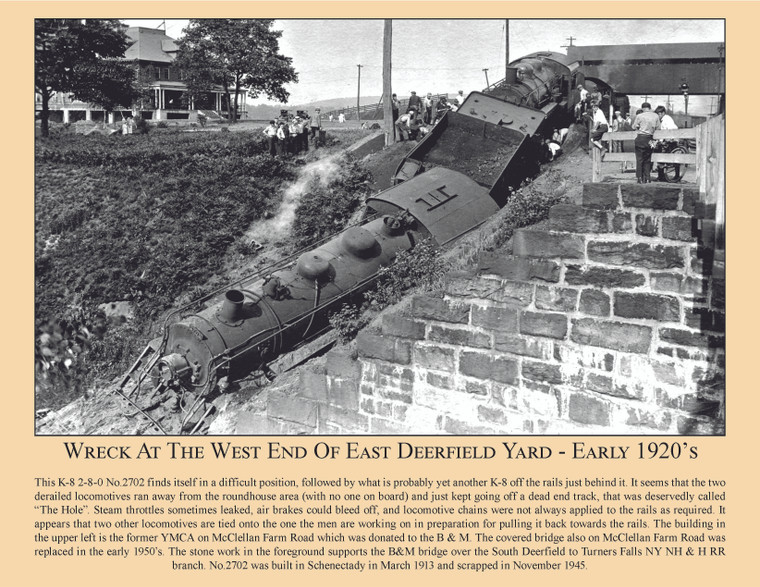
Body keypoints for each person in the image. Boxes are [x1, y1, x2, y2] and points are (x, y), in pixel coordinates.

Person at [632, 102, 660, 183]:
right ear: (650, 108)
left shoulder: (639, 116)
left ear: (643, 108)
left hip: (641, 138)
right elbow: (658, 128)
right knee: (648, 159)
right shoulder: (655, 116)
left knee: (639, 159)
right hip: (650, 139)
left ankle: (640, 178)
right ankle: (647, 178)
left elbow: (634, 126)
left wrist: (639, 126)